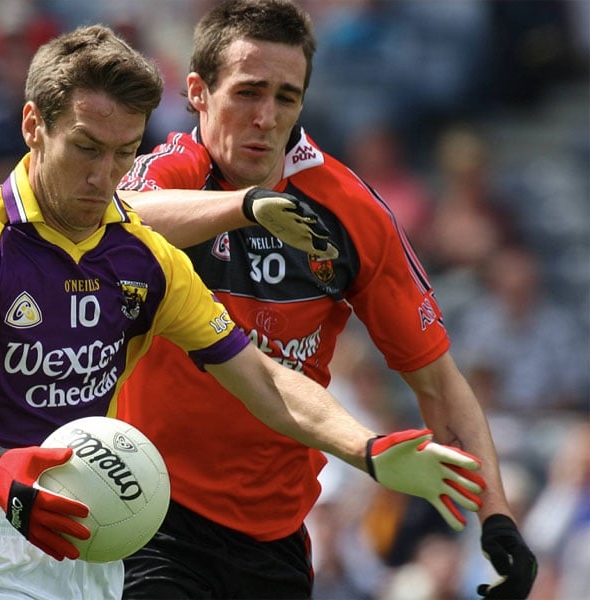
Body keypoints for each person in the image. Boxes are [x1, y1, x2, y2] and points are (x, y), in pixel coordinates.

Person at [0, 24, 486, 600]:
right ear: (34, 127)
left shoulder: (145, 258)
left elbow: (262, 378)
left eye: (124, 154)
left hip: (98, 556)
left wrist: (366, 449)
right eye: (86, 148)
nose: (104, 177)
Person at [115, 1, 537, 598]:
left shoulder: (351, 211)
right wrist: (245, 206)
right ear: (198, 93)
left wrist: (497, 517)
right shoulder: (177, 171)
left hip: (276, 535)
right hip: (148, 511)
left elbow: (439, 384)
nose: (265, 117)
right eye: (248, 92)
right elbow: (115, 220)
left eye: (286, 98)